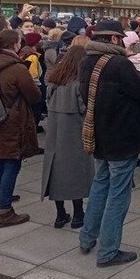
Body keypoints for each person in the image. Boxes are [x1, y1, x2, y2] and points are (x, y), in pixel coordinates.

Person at [78, 20, 140, 267]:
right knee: (118, 195)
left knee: (100, 185)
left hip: (99, 136)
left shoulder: (85, 61)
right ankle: (108, 251)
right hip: (121, 138)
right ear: (113, 39)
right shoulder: (119, 64)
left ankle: (87, 237)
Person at [0, 29, 41, 228]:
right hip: (11, 122)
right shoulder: (16, 68)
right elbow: (33, 96)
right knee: (11, 165)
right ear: (14, 45)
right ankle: (5, 211)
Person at [41, 45, 93, 229]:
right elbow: (85, 109)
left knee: (55, 174)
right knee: (76, 175)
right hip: (74, 135)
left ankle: (60, 214)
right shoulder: (78, 85)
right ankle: (78, 214)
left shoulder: (54, 82)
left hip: (55, 135)